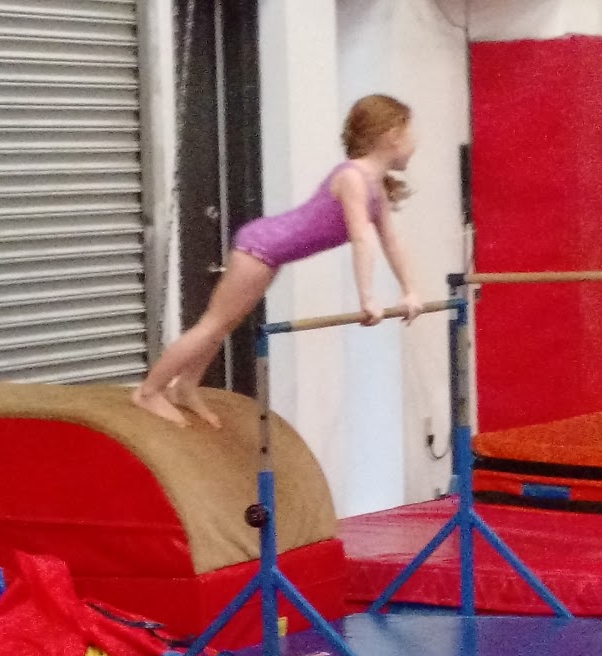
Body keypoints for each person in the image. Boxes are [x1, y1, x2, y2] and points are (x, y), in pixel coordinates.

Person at [131, 94, 425, 427]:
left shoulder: (375, 187)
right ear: (392, 136)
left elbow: (391, 242)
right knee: (213, 324)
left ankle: (185, 386)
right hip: (260, 248)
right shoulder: (352, 179)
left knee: (222, 325)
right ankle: (149, 391)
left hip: (270, 254)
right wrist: (367, 298)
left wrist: (410, 291)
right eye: (410, 134)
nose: (415, 144)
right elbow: (361, 239)